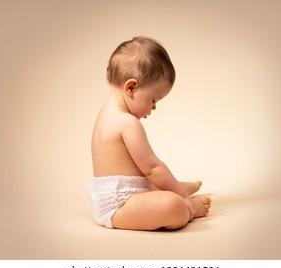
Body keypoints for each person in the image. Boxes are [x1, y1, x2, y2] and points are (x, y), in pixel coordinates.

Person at [88, 36, 211, 230]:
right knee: (173, 205)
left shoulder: (106, 113)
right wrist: (184, 199)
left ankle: (177, 188)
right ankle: (188, 204)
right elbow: (152, 168)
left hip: (122, 193)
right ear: (131, 87)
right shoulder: (127, 123)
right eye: (153, 100)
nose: (153, 108)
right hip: (120, 206)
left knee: (162, 189)